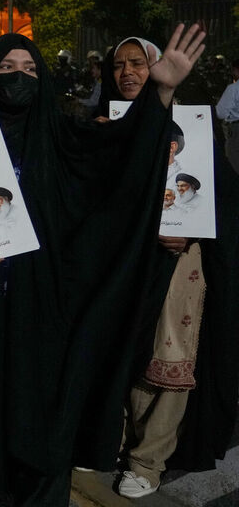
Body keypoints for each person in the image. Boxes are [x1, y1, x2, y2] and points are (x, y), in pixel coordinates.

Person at [0, 27, 205, 507]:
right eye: (6, 68)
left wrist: (160, 93)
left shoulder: (62, 136)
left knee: (38, 416)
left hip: (40, 309)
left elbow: (120, 156)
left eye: (30, 69)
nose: (18, 77)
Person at [98, 38, 239, 500]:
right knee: (118, 349)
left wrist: (193, 233)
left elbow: (223, 197)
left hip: (179, 262)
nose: (127, 72)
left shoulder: (193, 125)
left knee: (169, 356)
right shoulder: (103, 124)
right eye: (118, 65)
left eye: (138, 63)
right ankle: (114, 441)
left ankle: (148, 460)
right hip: (120, 263)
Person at [215, 58, 239, 174]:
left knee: (234, 163)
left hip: (236, 129)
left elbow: (220, 113)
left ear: (236, 70)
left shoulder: (233, 89)